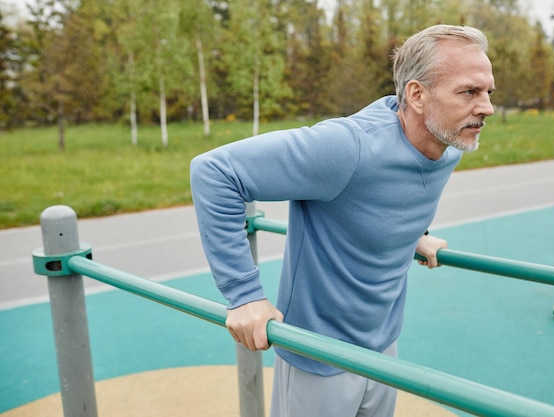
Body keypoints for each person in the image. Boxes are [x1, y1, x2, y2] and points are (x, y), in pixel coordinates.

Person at [190, 24, 495, 417]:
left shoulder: (449, 143)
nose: (486, 106)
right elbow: (214, 172)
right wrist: (244, 293)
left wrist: (415, 234)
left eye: (488, 92)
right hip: (319, 353)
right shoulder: (346, 147)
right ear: (417, 95)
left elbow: (396, 191)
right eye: (469, 92)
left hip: (384, 342)